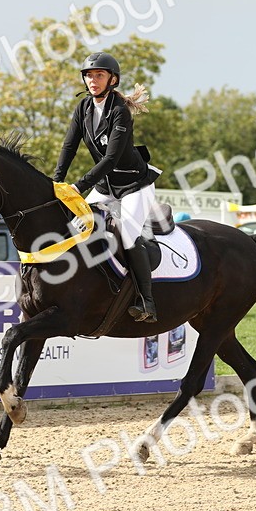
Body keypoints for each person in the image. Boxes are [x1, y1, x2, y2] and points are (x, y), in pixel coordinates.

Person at [52, 51, 159, 322]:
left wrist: (78, 185)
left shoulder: (120, 111)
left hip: (134, 185)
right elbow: (69, 146)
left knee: (128, 235)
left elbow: (111, 159)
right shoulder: (83, 108)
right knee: (76, 229)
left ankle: (146, 301)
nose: (92, 81)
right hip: (106, 186)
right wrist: (56, 181)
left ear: (113, 80)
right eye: (88, 76)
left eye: (98, 75)